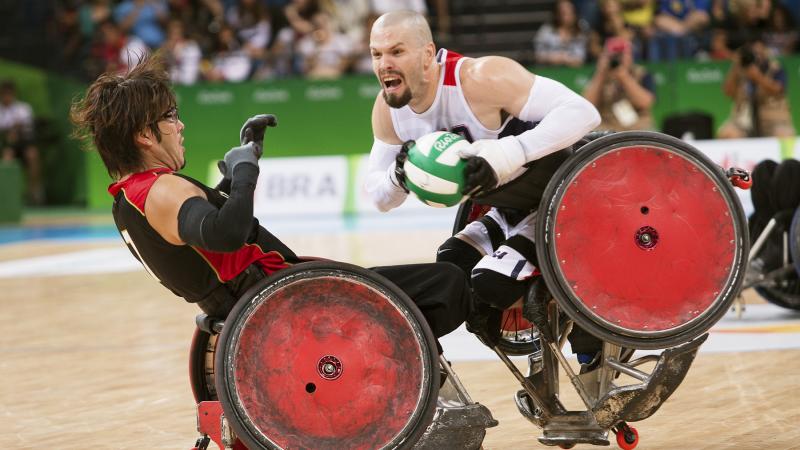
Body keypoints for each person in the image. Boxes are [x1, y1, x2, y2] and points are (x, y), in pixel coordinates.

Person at [69, 54, 471, 344]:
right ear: (144, 134)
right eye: (171, 116)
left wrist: (241, 165)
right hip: (288, 305)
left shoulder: (130, 198)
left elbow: (210, 251)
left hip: (265, 301)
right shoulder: (160, 189)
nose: (181, 124)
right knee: (448, 281)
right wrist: (245, 175)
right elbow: (226, 234)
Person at [364, 11, 602, 362]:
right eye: (376, 54)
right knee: (450, 270)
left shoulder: (480, 78)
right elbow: (378, 198)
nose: (384, 64)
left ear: (428, 54)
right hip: (507, 209)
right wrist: (397, 177)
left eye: (396, 52)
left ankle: (582, 317)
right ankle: (431, 374)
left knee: (493, 282)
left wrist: (508, 152)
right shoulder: (388, 111)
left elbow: (583, 113)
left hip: (561, 201)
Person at [718, 37, 796, 139]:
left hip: (773, 119)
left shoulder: (775, 68)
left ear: (765, 51)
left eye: (759, 53)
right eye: (754, 54)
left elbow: (778, 90)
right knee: (727, 134)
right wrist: (736, 65)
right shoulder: (740, 70)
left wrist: (758, 77)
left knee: (784, 135)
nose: (757, 57)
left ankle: (788, 156)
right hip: (744, 120)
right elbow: (728, 92)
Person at [583, 36, 656, 132]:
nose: (617, 59)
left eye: (621, 55)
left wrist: (624, 77)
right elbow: (588, 104)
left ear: (630, 56)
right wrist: (600, 74)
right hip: (606, 129)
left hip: (637, 127)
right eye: (614, 55)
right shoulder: (598, 75)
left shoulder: (642, 74)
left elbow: (646, 103)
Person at [0, 81, 44, 205]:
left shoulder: (23, 108)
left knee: (33, 155)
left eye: (9, 94)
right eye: (4, 94)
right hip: (8, 145)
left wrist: (15, 130)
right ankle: (7, 195)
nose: (7, 97)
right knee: (7, 157)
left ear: (14, 94)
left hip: (25, 143)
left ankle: (34, 191)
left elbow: (27, 127)